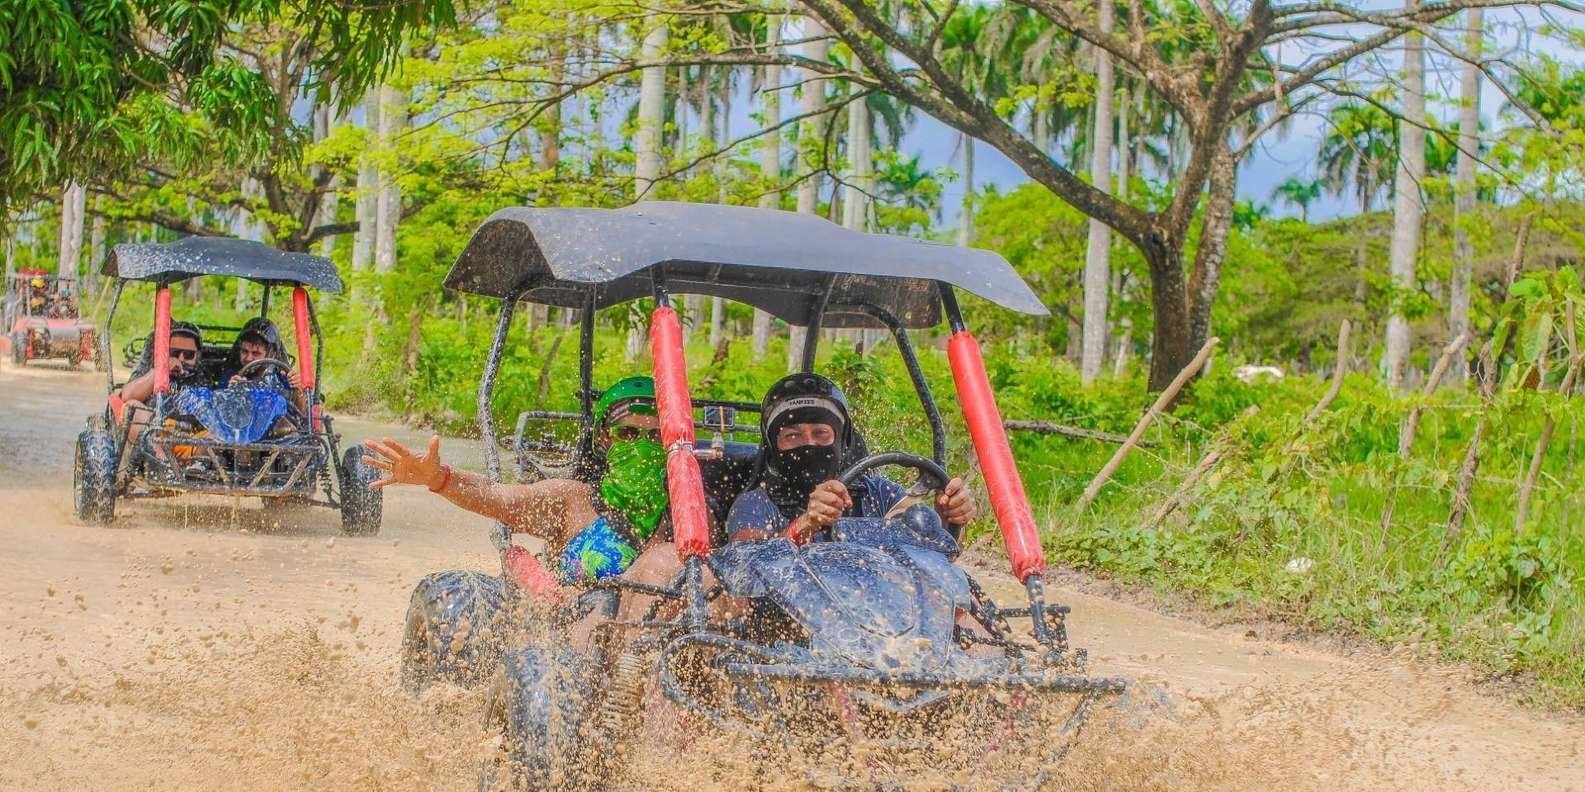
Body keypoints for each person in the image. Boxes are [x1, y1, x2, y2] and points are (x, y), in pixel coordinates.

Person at [363, 376, 674, 590]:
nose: (641, 448)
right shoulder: (570, 500)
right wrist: (439, 478)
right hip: (570, 645)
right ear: (604, 439)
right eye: (627, 434)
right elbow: (496, 496)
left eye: (655, 436)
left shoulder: (687, 515)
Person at [727, 373, 976, 544]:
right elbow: (744, 566)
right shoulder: (756, 504)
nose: (809, 444)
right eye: (793, 436)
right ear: (774, 446)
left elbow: (930, 546)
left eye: (821, 433)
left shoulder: (877, 494)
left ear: (841, 441)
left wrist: (949, 517)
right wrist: (806, 523)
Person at [117, 322, 209, 448]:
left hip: (193, 441)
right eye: (174, 353)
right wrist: (161, 369)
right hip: (155, 436)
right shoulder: (152, 370)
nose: (181, 359)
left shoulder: (203, 377)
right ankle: (160, 455)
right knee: (132, 407)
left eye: (189, 355)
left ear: (197, 356)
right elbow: (127, 396)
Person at [221, 317, 307, 415]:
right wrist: (231, 393)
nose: (248, 358)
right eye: (244, 351)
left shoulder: (282, 378)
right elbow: (219, 413)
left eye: (256, 353)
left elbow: (302, 414)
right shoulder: (232, 377)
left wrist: (298, 389)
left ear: (271, 354)